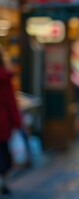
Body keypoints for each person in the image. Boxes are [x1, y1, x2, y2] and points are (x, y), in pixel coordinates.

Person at [0, 46, 23, 195]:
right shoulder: (5, 78)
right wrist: (17, 123)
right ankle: (3, 181)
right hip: (3, 123)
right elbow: (11, 102)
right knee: (3, 152)